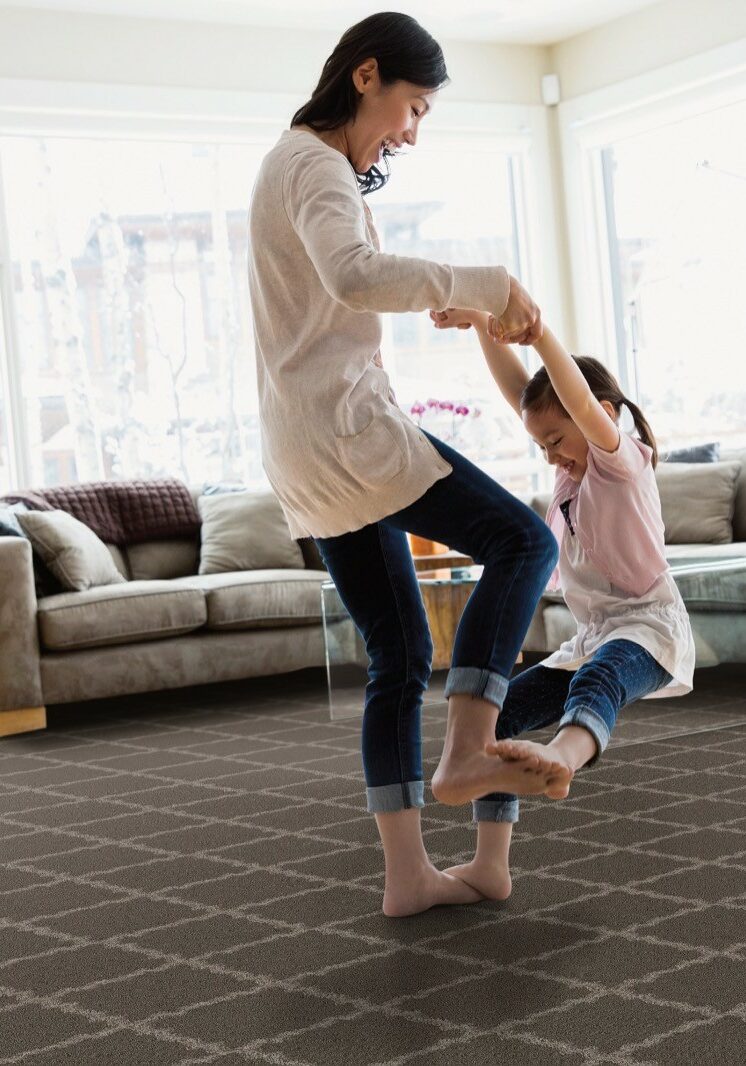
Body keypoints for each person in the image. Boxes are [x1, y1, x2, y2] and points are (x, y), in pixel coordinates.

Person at [248, 12, 560, 917]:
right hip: (346, 436)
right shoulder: (316, 164)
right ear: (366, 75)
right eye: (412, 107)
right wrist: (485, 285)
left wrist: (438, 305)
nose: (412, 132)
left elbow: (341, 288)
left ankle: (406, 877)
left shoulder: (293, 162)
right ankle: (469, 745)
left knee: (398, 653)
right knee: (525, 542)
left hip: (304, 448)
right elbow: (353, 275)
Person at [430, 307, 696, 900]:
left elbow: (569, 398)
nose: (550, 456)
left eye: (556, 441)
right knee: (493, 725)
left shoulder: (617, 461)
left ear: (598, 417)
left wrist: (543, 336)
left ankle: (563, 758)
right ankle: (489, 866)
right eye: (542, 445)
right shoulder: (570, 476)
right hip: (594, 635)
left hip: (649, 628)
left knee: (598, 680)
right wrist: (480, 326)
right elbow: (523, 394)